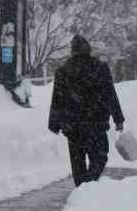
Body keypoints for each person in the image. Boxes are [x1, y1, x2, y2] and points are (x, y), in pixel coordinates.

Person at [47, 34, 125, 186]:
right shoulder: (100, 68)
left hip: (73, 126)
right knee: (100, 158)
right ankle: (88, 184)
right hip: (96, 124)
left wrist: (54, 124)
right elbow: (110, 94)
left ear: (72, 51)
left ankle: (82, 189)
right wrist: (118, 119)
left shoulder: (63, 72)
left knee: (78, 164)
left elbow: (57, 100)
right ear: (88, 49)